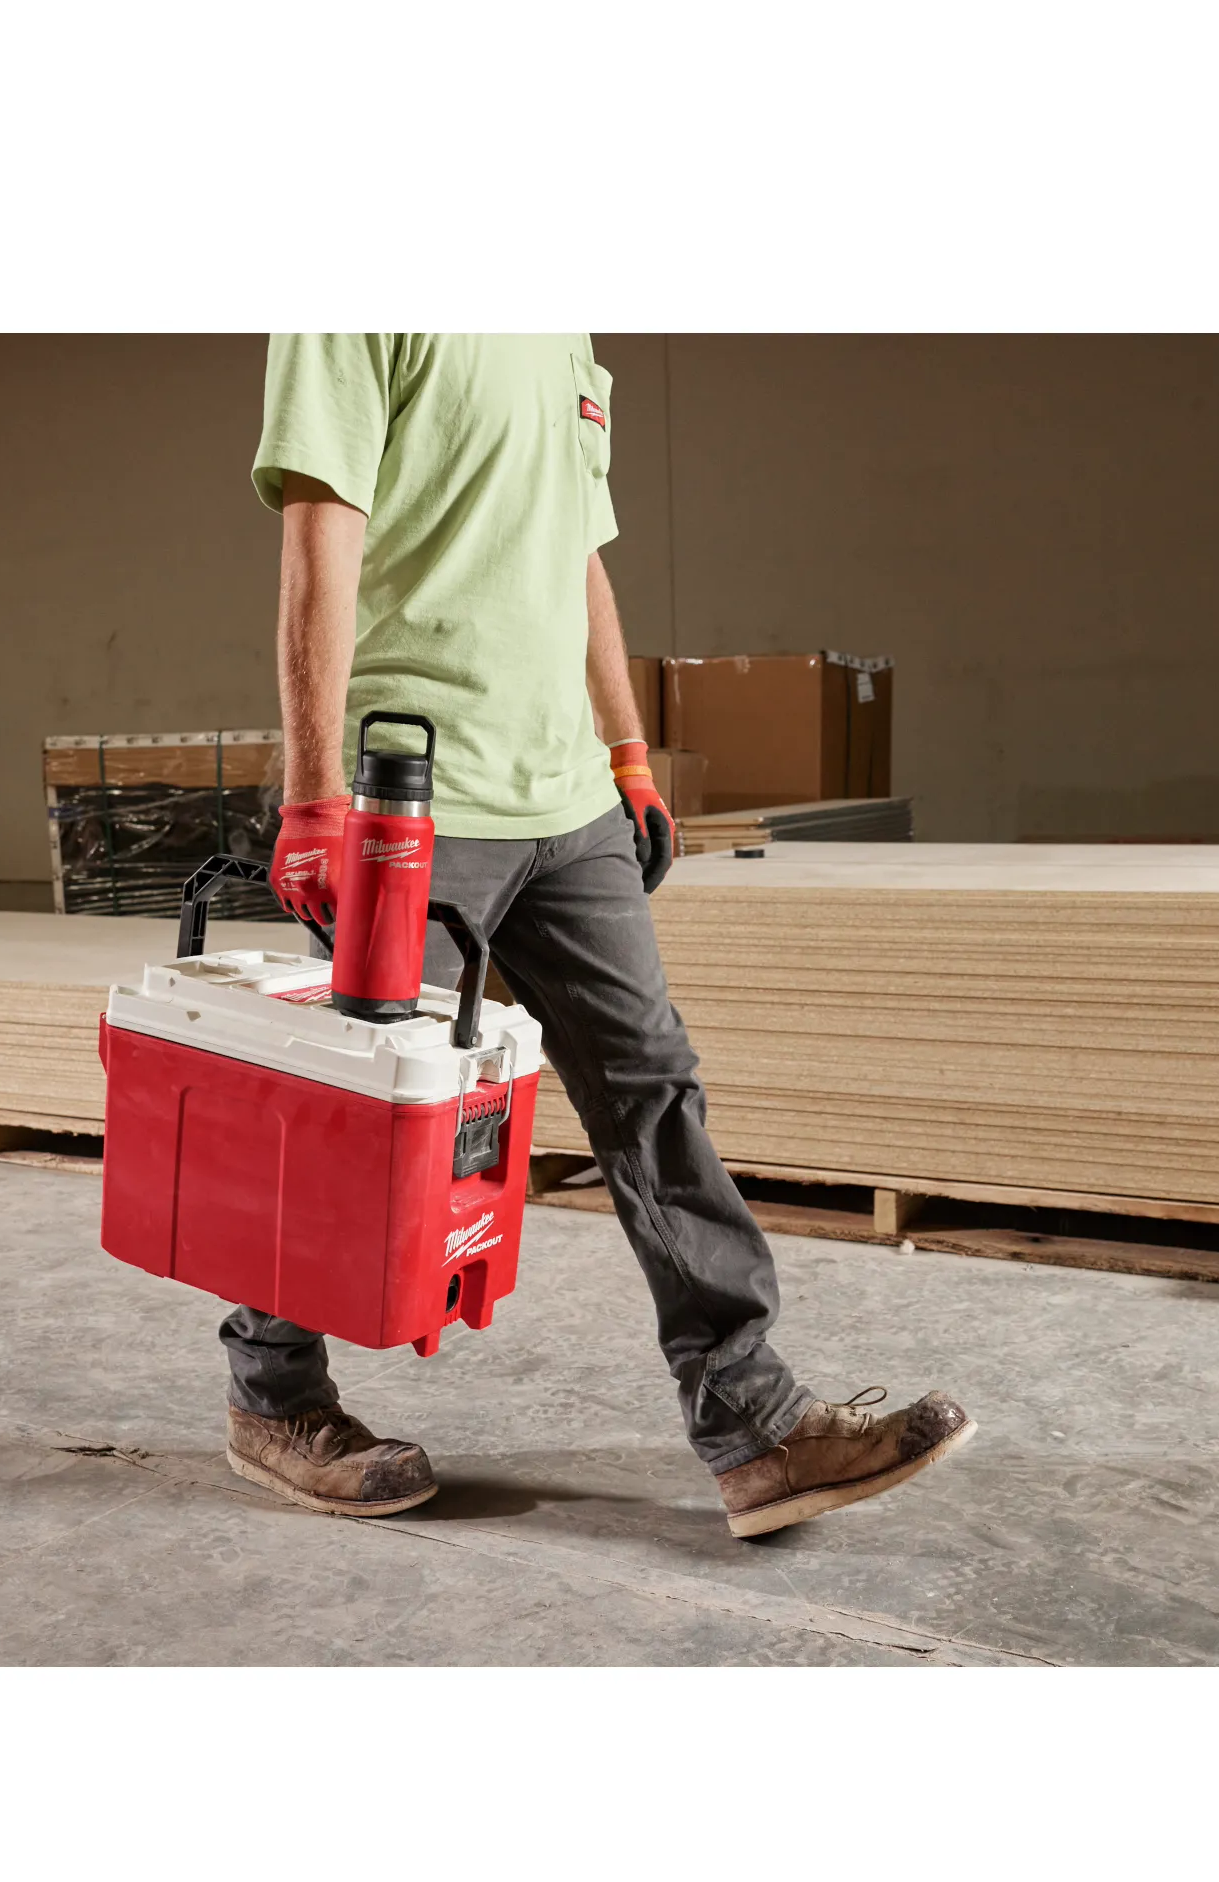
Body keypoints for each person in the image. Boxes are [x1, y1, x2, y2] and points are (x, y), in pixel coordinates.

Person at [222, 334, 973, 1539]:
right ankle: (273, 1396)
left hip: (565, 799)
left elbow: (576, 556)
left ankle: (755, 1422)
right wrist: (316, 793)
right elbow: (319, 533)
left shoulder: (560, 327)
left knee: (651, 1091)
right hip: (412, 792)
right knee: (354, 1118)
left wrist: (625, 747)